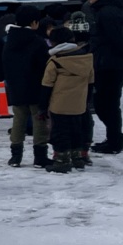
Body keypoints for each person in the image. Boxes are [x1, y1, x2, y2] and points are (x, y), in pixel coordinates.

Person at [83, 0, 123, 154]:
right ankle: (113, 138)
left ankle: (115, 141)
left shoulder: (108, 12)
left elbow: (118, 38)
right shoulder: (106, 8)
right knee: (105, 103)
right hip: (105, 62)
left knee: (107, 104)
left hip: (110, 65)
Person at [2, 4, 51, 167]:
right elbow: (44, 65)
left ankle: (15, 156)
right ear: (34, 23)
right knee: (39, 120)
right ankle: (40, 156)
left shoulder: (10, 39)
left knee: (18, 119)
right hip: (36, 86)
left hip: (15, 86)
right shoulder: (38, 42)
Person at [41, 26, 95, 173]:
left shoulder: (55, 61)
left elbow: (46, 85)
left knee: (60, 132)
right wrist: (86, 101)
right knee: (77, 130)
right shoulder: (86, 58)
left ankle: (61, 160)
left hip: (59, 104)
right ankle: (77, 158)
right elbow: (91, 83)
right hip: (79, 104)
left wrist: (43, 106)